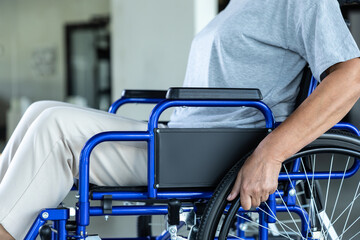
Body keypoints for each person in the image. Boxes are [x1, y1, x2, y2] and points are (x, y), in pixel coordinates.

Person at [1, 0, 360, 239]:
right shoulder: (237, 4)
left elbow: (351, 76)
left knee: (53, 129)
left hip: (217, 150)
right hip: (185, 139)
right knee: (41, 111)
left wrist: (271, 154)